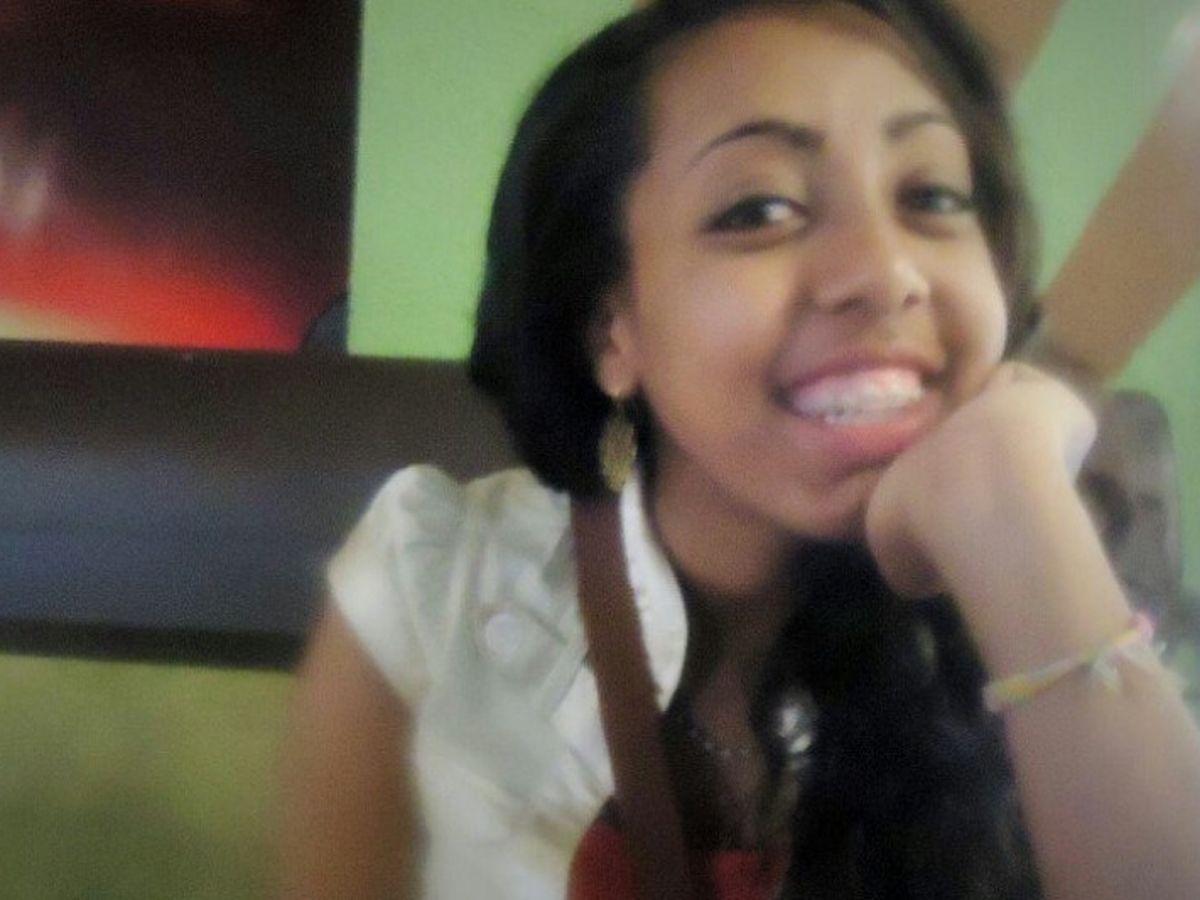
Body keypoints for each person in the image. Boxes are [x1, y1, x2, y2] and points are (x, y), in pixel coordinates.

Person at [275, 1, 1200, 897]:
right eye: (759, 209)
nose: (887, 274)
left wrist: (1013, 509)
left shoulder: (1066, 586)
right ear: (611, 330)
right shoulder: (437, 582)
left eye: (932, 197)